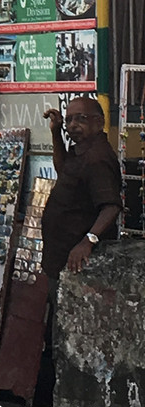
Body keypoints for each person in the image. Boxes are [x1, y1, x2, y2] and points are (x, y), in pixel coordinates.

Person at [41, 97, 122, 279]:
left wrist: (88, 240)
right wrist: (56, 133)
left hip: (78, 262)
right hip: (61, 257)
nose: (72, 125)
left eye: (81, 118)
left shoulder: (97, 157)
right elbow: (63, 171)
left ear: (99, 122)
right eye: (69, 120)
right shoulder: (81, 149)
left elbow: (111, 206)